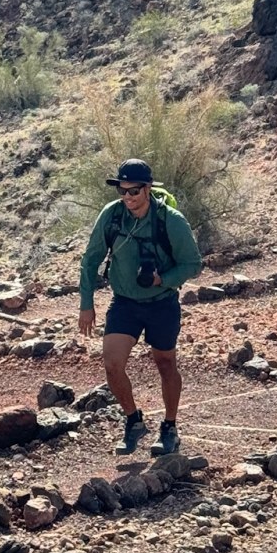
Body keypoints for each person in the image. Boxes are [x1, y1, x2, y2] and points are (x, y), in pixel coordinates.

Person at [78, 158, 203, 456]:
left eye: (134, 191)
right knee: (111, 363)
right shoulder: (112, 216)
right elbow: (90, 259)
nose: (127, 198)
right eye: (122, 191)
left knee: (165, 363)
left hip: (162, 303)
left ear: (148, 189)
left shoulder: (170, 220)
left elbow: (193, 264)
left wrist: (164, 279)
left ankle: (169, 427)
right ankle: (134, 421)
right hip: (125, 303)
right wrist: (87, 303)